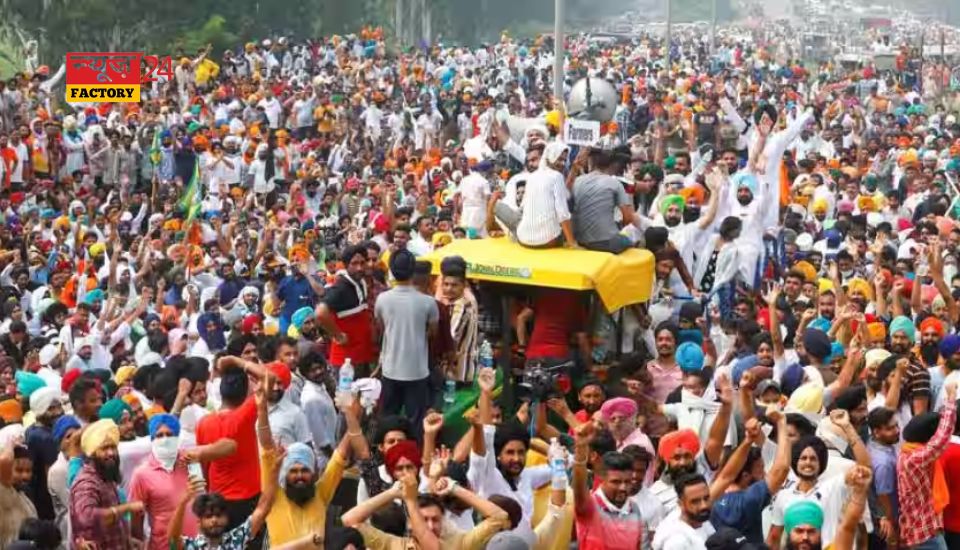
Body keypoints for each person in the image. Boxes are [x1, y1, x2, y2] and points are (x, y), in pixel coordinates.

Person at [128, 414, 238, 550]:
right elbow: (136, 518)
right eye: (159, 435)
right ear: (152, 439)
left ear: (177, 437)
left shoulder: (189, 458)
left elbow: (231, 446)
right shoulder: (142, 474)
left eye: (169, 434)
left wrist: (201, 454)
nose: (165, 439)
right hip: (165, 546)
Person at [194, 356, 268, 534]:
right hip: (247, 498)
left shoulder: (203, 423)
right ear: (245, 392)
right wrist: (237, 361)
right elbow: (267, 377)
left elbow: (203, 465)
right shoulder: (244, 416)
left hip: (216, 499)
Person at [375, 249, 439, 433]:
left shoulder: (382, 299)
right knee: (417, 421)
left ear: (392, 271)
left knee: (388, 418)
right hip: (417, 371)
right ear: (413, 271)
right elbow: (432, 332)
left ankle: (387, 453)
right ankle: (417, 453)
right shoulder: (428, 302)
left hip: (390, 369)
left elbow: (382, 326)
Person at [897, 382, 957, 549]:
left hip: (922, 529)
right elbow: (941, 438)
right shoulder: (915, 459)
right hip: (925, 533)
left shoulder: (907, 452)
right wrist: (951, 399)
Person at [69, 419, 145, 549]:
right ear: (92, 453)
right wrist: (126, 508)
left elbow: (111, 525)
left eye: (113, 447)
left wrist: (127, 540)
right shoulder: (87, 482)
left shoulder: (106, 477)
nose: (111, 453)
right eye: (104, 448)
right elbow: (86, 517)